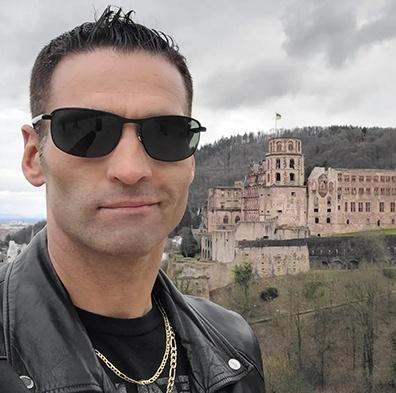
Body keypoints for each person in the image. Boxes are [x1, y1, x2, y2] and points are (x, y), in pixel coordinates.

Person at [0, 7, 265, 393]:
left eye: (167, 133)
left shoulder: (234, 344)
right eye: (86, 130)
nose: (130, 168)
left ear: (190, 161)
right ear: (33, 157)